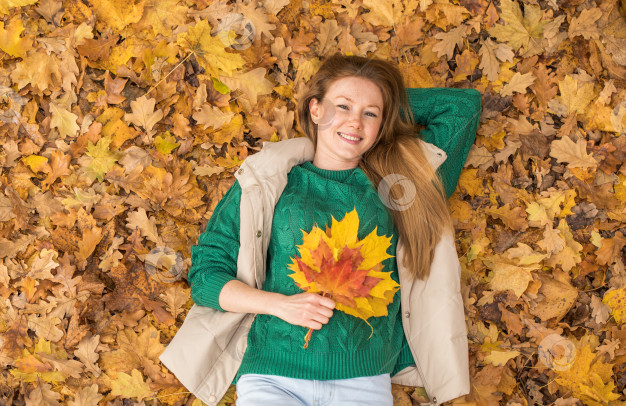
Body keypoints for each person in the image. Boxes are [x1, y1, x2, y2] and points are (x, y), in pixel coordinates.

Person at [160, 54, 482, 406]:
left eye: (370, 114)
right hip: (272, 376)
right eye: (341, 107)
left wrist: (380, 104)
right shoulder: (268, 180)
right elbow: (206, 277)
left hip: (364, 380)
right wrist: (280, 306)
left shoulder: (401, 183)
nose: (355, 122)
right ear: (315, 110)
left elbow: (462, 107)